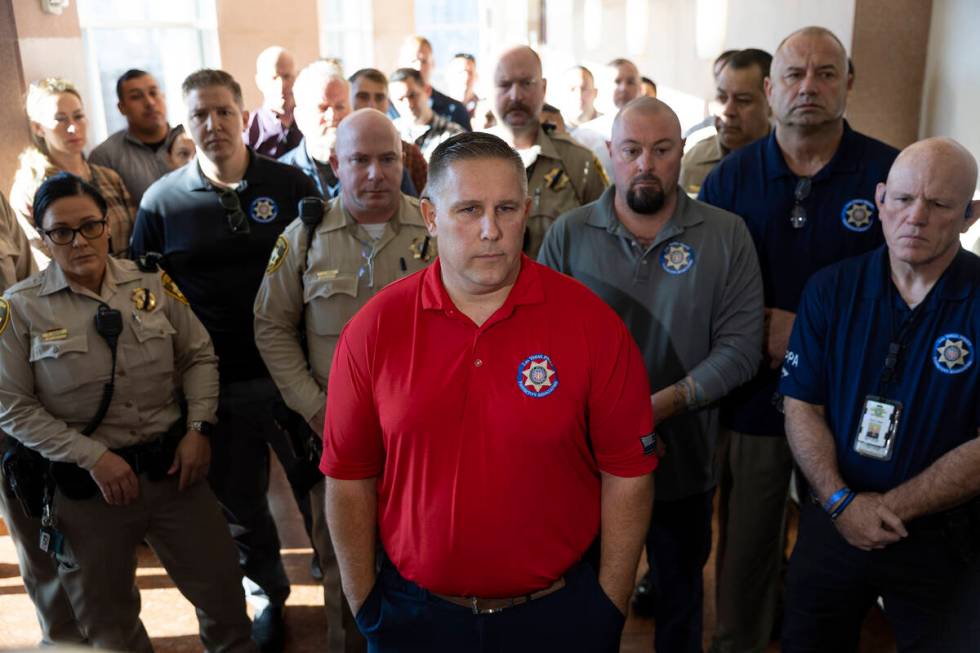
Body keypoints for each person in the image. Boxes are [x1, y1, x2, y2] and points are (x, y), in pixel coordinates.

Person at [321, 131, 657, 652]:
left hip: (558, 617)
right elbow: (348, 478)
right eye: (468, 210)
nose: (491, 231)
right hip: (415, 619)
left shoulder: (592, 324)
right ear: (430, 216)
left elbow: (629, 475)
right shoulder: (374, 330)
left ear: (527, 211)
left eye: (506, 209)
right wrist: (366, 604)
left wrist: (607, 607)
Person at [698, 27, 900, 653]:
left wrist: (808, 337)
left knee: (834, 553)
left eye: (825, 73)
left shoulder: (887, 172)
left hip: (850, 401)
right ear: (770, 88)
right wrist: (756, 327)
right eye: (794, 74)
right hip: (754, 400)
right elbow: (705, 289)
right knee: (746, 549)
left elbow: (908, 292)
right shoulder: (730, 179)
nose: (809, 86)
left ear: (848, 83)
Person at [540, 97, 764, 653]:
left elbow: (740, 347)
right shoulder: (567, 236)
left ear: (682, 154)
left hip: (684, 461)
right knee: (583, 602)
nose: (646, 163)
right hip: (584, 465)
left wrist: (660, 406)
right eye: (632, 150)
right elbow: (534, 346)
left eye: (662, 150)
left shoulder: (727, 235)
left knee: (680, 601)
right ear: (611, 155)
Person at [0, 173, 255, 653]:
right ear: (43, 237)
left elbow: (198, 356)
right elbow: (10, 406)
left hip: (174, 473)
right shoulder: (21, 309)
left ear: (107, 227)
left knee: (225, 600)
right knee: (109, 628)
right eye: (62, 232)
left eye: (89, 226)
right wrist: (93, 457)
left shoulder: (151, 284)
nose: (79, 242)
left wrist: (199, 428)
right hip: (89, 493)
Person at [131, 69, 320, 653]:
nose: (212, 125)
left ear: (244, 115)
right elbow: (145, 299)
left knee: (318, 490)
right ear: (186, 125)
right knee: (242, 507)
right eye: (199, 116)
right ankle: (268, 598)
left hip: (295, 380)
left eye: (223, 112)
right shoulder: (161, 202)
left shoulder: (290, 185)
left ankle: (341, 582)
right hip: (217, 387)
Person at [780, 137, 980, 651]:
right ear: (879, 199)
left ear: (969, 215)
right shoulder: (830, 289)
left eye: (938, 205)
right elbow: (802, 404)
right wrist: (842, 503)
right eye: (903, 198)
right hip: (833, 517)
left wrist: (889, 508)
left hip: (943, 538)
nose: (915, 217)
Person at [254, 108, 435, 653]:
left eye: (387, 159)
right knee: (344, 568)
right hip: (336, 440)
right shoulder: (304, 237)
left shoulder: (435, 226)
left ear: (403, 160)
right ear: (336, 163)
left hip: (427, 442)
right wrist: (315, 410)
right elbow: (270, 327)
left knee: (426, 560)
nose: (376, 174)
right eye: (360, 160)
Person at [486, 46, 607, 258]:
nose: (516, 96)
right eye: (504, 84)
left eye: (526, 83)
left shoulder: (580, 163)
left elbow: (605, 242)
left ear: (543, 88)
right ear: (489, 91)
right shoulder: (463, 163)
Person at [10, 78, 134, 269]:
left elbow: (134, 238)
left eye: (78, 116)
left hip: (125, 282)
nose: (72, 128)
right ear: (38, 128)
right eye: (60, 119)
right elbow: (35, 256)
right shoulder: (30, 188)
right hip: (67, 292)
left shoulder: (109, 177)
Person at [284, 63, 418, 198]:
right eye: (322, 108)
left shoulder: (385, 166)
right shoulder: (282, 174)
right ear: (300, 117)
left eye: (340, 107)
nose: (333, 116)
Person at [680, 49, 772, 196]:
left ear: (771, 103)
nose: (727, 111)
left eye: (743, 100)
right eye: (722, 98)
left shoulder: (791, 162)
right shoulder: (695, 160)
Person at [89, 69, 186, 205]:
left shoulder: (192, 142)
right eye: (136, 96)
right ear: (121, 107)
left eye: (154, 93)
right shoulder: (106, 156)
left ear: (163, 97)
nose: (150, 103)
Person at [349, 68, 428, 193]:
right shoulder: (335, 151)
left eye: (379, 98)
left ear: (388, 103)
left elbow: (430, 207)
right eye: (363, 97)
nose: (372, 105)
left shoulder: (410, 154)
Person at [572, 58, 644, 174]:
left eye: (630, 82)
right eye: (617, 82)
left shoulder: (656, 133)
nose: (624, 88)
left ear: (641, 89)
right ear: (602, 87)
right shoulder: (583, 136)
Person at [390, 68, 466, 162]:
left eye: (412, 95)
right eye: (400, 99)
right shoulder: (389, 133)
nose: (409, 104)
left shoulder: (453, 136)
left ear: (427, 91)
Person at [399, 35, 472, 130]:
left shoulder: (455, 110)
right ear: (400, 64)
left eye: (424, 61)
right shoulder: (388, 110)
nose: (419, 67)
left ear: (432, 64)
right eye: (413, 61)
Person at [246, 46, 302, 158]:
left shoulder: (312, 122)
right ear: (259, 82)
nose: (282, 85)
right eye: (274, 78)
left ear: (296, 77)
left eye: (287, 76)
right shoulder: (250, 131)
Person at [555, 65, 600, 129]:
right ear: (561, 93)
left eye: (584, 88)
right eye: (572, 89)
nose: (579, 95)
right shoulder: (549, 129)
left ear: (595, 93)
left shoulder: (611, 128)